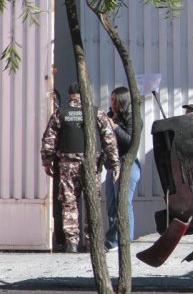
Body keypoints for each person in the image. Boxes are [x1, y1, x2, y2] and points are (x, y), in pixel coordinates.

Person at [40, 82, 120, 253]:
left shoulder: (60, 113)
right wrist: (114, 164)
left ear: (70, 95)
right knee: (92, 203)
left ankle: (72, 244)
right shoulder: (96, 112)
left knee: (70, 203)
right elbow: (109, 140)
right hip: (91, 165)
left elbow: (49, 141)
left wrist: (47, 162)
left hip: (67, 165)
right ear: (84, 94)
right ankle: (92, 243)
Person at [104, 86, 140, 251]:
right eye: (111, 100)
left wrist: (115, 127)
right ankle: (113, 240)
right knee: (112, 204)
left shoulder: (133, 118)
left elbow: (130, 141)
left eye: (114, 100)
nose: (111, 103)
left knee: (124, 204)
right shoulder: (113, 117)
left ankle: (125, 240)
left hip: (127, 165)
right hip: (113, 165)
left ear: (122, 101)